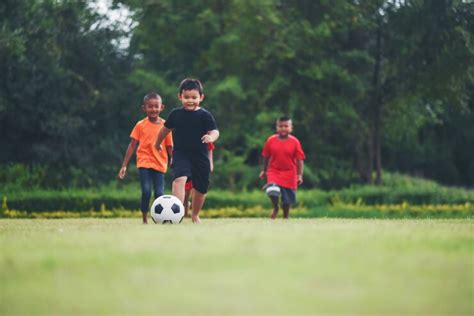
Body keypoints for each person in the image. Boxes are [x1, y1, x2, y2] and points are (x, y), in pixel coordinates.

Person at [155, 78, 219, 223]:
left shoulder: (205, 115)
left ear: (201, 98)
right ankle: (176, 214)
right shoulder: (176, 114)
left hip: (200, 156)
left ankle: (195, 214)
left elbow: (215, 131)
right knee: (179, 179)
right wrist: (157, 143)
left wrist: (211, 137)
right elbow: (164, 130)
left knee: (201, 188)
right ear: (180, 97)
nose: (190, 101)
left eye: (194, 97)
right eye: (186, 97)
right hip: (181, 154)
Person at [118, 92, 173, 224]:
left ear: (162, 107)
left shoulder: (166, 126)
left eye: (156, 106)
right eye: (150, 106)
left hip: (160, 164)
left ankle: (160, 218)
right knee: (146, 191)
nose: (153, 109)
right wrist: (124, 165)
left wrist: (173, 159)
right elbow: (132, 145)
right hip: (144, 163)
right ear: (144, 108)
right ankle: (144, 218)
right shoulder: (140, 125)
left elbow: (170, 146)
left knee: (159, 194)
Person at [259, 117, 305, 219]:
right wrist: (264, 170)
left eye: (286, 126)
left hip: (290, 173)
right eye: (280, 126)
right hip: (274, 171)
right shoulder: (270, 140)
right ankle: (276, 207)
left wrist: (299, 175)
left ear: (291, 128)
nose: (283, 128)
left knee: (287, 200)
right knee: (272, 190)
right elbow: (266, 156)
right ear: (277, 127)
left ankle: (285, 217)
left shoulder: (295, 142)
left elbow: (300, 160)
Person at [183, 142, 215, 217]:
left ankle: (194, 212)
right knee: (186, 194)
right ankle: (185, 212)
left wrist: (210, 164)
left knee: (197, 190)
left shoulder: (207, 138)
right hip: (189, 167)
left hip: (200, 166)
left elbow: (210, 151)